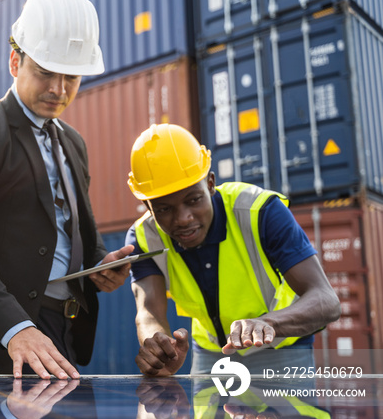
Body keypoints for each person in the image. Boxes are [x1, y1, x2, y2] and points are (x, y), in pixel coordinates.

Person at [0, 0, 133, 380]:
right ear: (15, 62)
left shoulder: (73, 142)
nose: (59, 89)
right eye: (46, 73)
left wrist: (99, 265)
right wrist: (16, 330)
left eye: (71, 77)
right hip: (0, 341)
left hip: (65, 333)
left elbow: (73, 232)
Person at [125, 123, 340, 375]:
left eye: (193, 200)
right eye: (164, 209)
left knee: (290, 416)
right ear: (147, 206)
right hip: (210, 353)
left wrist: (267, 324)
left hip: (281, 350)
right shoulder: (143, 238)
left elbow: (327, 300)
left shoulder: (260, 212)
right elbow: (148, 310)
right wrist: (158, 348)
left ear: (210, 183)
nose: (183, 218)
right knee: (207, 417)